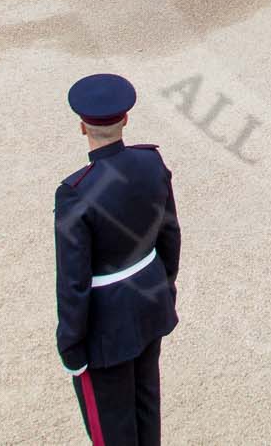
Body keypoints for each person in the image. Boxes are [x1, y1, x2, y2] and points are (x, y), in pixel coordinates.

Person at [55, 73, 181, 446]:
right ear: (125, 119)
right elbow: (170, 235)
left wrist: (71, 343)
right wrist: (164, 287)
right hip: (149, 303)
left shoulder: (75, 193)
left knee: (112, 430)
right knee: (146, 409)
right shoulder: (151, 163)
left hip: (104, 328)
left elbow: (73, 280)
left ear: (82, 127)